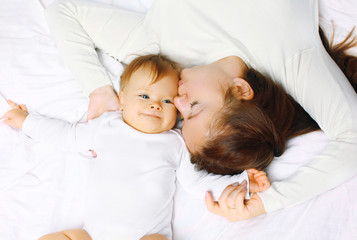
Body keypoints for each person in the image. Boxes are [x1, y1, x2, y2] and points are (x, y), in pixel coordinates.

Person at [43, 0, 357, 222]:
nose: (176, 101)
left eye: (180, 118)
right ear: (240, 89)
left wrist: (100, 91)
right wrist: (268, 202)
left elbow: (63, 12)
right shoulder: (289, 56)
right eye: (193, 108)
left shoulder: (160, 58)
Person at [0, 54, 270, 240]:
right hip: (93, 235)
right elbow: (67, 136)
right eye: (144, 96)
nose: (155, 105)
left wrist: (242, 181)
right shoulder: (107, 126)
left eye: (166, 102)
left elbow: (196, 184)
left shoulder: (176, 144)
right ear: (121, 99)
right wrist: (28, 122)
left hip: (147, 235)